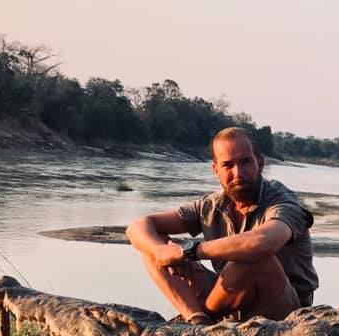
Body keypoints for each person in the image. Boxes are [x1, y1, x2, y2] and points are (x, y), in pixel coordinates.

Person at [127, 127, 317, 324]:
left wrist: (188, 251)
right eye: (228, 165)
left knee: (253, 257)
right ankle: (195, 319)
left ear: (260, 162)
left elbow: (263, 243)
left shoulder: (284, 202)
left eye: (245, 162)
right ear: (215, 169)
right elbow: (138, 226)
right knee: (153, 245)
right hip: (230, 298)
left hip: (285, 309)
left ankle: (206, 318)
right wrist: (161, 251)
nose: (238, 173)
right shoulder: (211, 204)